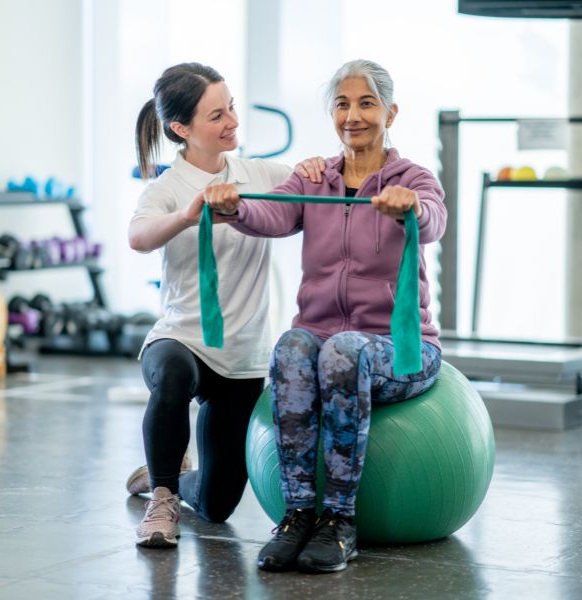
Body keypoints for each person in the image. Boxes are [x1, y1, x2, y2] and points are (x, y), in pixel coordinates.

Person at [204, 59, 447, 573]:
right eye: (342, 104)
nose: (353, 115)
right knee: (293, 346)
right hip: (322, 341)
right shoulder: (314, 178)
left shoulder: (412, 178)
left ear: (391, 112)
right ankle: (297, 516)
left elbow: (433, 220)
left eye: (366, 103)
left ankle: (339, 521)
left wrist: (411, 208)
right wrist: (232, 207)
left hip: (401, 350)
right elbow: (271, 212)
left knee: (342, 351)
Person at [127, 62, 321, 548]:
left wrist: (319, 168)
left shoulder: (258, 174)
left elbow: (313, 184)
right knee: (171, 377)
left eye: (231, 106)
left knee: (216, 506)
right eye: (217, 115)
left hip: (240, 358)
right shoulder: (167, 188)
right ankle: (162, 495)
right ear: (181, 129)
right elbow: (138, 236)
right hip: (182, 339)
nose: (232, 120)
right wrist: (186, 216)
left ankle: (162, 475)